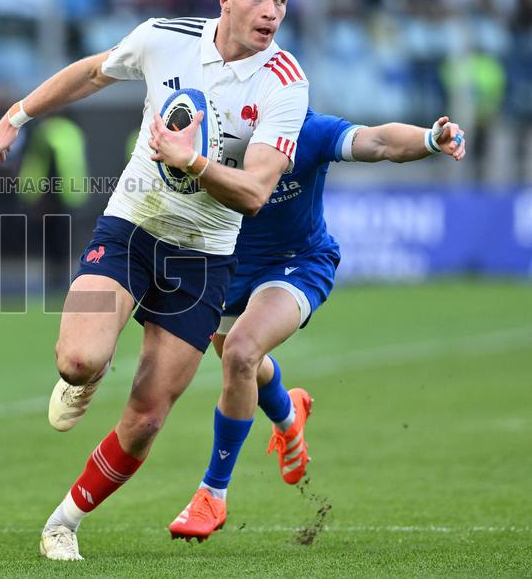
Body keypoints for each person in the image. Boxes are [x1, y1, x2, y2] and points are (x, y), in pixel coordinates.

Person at [0, 0, 308, 561]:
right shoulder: (165, 37)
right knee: (78, 361)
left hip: (204, 256)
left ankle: (62, 524)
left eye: (281, 0)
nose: (270, 12)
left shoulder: (285, 82)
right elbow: (93, 71)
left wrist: (194, 161)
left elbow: (256, 193)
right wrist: (16, 117)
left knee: (147, 417)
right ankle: (84, 376)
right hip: (132, 227)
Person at [52, 109, 467, 543]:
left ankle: (212, 492)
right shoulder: (212, 127)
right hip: (226, 265)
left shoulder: (306, 129)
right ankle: (288, 413)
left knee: (241, 352)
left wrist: (429, 139)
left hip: (298, 264)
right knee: (239, 356)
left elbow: (378, 140)